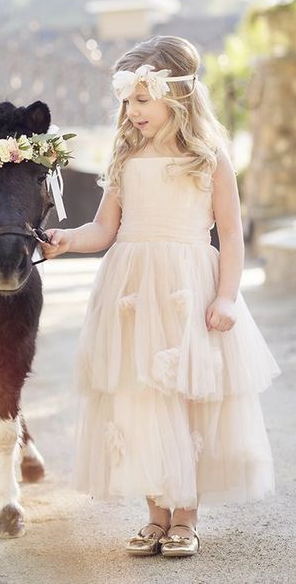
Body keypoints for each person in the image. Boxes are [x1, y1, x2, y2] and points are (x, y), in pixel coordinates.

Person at [41, 35, 281, 557]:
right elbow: (104, 228)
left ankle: (186, 517)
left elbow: (233, 234)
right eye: (125, 100)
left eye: (141, 98)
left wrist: (226, 297)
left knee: (185, 397)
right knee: (140, 397)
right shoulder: (125, 154)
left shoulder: (208, 157)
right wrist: (68, 240)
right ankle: (155, 513)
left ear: (176, 95)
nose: (131, 111)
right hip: (130, 288)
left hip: (186, 287)